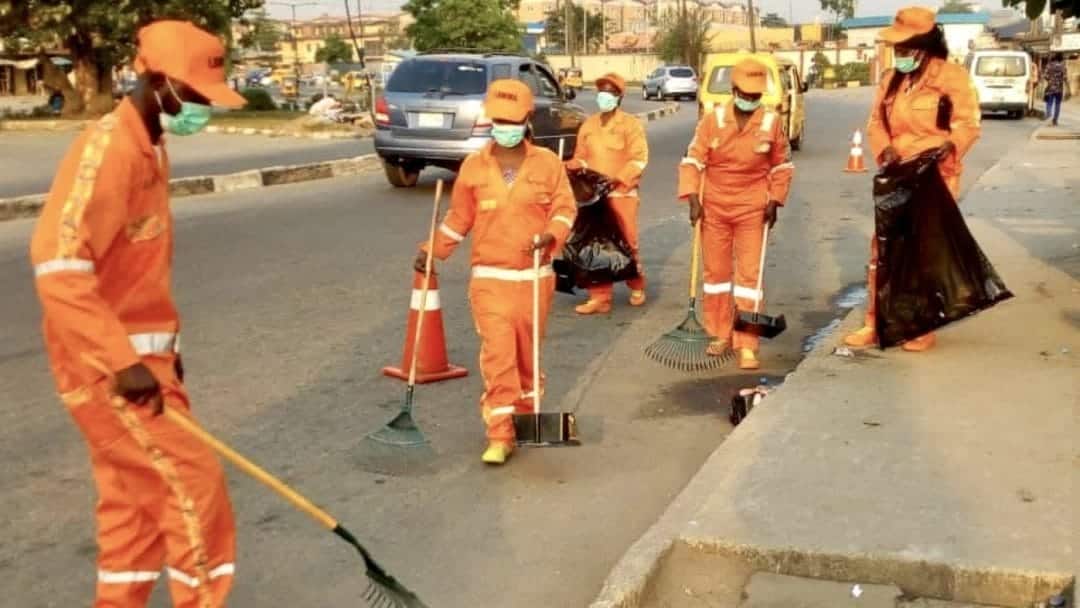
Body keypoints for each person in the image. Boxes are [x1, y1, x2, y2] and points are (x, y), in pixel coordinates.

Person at [29, 20, 245, 607]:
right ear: (157, 81)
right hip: (109, 371)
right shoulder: (108, 151)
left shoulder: (151, 147)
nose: (203, 109)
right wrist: (123, 364)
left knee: (134, 508)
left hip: (145, 365)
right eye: (196, 96)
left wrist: (168, 354)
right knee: (193, 489)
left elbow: (136, 277)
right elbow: (58, 263)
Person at [412, 79, 576, 465]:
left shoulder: (548, 164)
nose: (505, 128)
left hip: (535, 279)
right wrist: (433, 250)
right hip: (490, 279)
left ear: (527, 119)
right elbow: (459, 219)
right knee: (499, 354)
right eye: (499, 121)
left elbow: (565, 209)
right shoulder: (474, 166)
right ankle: (499, 433)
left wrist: (551, 235)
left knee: (528, 357)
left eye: (512, 121)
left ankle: (526, 422)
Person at [843, 6, 981, 352]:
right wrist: (885, 149)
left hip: (935, 176)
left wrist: (950, 145)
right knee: (883, 248)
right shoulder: (891, 80)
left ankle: (920, 326)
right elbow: (876, 122)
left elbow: (968, 123)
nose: (899, 54)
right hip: (897, 173)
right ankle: (875, 322)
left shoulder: (951, 77)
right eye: (897, 49)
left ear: (923, 46)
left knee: (921, 251)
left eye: (905, 49)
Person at [677, 58, 794, 371]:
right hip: (714, 205)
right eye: (746, 94)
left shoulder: (771, 123)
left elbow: (782, 166)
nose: (751, 100)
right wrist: (692, 197)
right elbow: (692, 160)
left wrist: (775, 201)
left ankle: (747, 343)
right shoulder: (712, 120)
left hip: (752, 206)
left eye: (756, 96)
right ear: (733, 90)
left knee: (749, 279)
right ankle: (718, 333)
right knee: (716, 276)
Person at [565, 72, 650, 314]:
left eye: (610, 94)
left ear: (619, 97)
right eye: (602, 93)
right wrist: (571, 166)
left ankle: (636, 285)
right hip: (594, 197)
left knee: (627, 241)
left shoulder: (630, 125)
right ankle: (599, 296)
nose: (605, 97)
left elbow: (639, 159)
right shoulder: (589, 125)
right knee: (595, 244)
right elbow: (581, 156)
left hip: (622, 193)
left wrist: (618, 179)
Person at [1043, 53, 1067, 127]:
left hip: (1050, 88)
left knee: (1049, 103)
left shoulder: (1049, 65)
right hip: (1059, 89)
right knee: (1057, 104)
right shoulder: (1063, 66)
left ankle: (1049, 116)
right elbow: (1065, 77)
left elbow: (1045, 76)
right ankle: (1055, 120)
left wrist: (1050, 80)